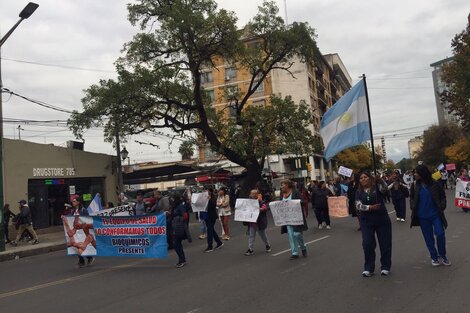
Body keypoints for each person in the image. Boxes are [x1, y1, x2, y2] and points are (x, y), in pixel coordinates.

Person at [410, 164, 450, 266]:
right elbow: (411, 198)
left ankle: (443, 255)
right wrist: (412, 205)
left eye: (416, 173)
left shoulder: (435, 184)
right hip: (422, 217)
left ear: (422, 174)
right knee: (428, 238)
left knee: (440, 234)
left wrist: (442, 205)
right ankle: (434, 257)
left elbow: (443, 196)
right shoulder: (414, 185)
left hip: (435, 214)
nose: (414, 174)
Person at [355, 172, 392, 277]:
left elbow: (385, 189)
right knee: (367, 244)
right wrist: (370, 208)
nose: (363, 179)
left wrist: (381, 180)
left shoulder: (377, 187)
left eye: (365, 177)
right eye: (361, 178)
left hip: (382, 219)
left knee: (385, 243)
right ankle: (369, 268)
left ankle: (385, 266)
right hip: (366, 221)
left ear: (370, 178)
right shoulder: (358, 192)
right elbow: (358, 205)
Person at [280, 179, 308, 260]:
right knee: (291, 235)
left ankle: (303, 247)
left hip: (296, 218)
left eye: (283, 185)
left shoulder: (295, 192)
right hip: (287, 219)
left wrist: (297, 202)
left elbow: (303, 201)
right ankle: (294, 253)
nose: (281, 187)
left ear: (288, 185)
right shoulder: (282, 194)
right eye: (281, 185)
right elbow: (280, 204)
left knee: (297, 234)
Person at [244, 189, 271, 256]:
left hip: (259, 222)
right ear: (250, 194)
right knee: (251, 236)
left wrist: (261, 209)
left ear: (257, 194)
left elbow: (265, 208)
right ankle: (250, 249)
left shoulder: (260, 201)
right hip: (252, 222)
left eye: (255, 193)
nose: (253, 195)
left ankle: (267, 245)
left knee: (263, 235)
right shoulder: (248, 202)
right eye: (252, 193)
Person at [71, 197, 95, 267]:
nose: (73, 202)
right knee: (76, 245)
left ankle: (87, 258)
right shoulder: (73, 211)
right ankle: (83, 260)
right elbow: (70, 219)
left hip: (83, 231)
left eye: (74, 201)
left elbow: (87, 219)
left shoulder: (83, 210)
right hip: (76, 232)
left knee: (81, 245)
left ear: (78, 202)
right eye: (72, 201)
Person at [170, 194, 192, 268]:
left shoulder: (180, 206)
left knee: (176, 244)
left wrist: (179, 219)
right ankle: (182, 260)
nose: (171, 201)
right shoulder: (174, 207)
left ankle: (182, 260)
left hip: (179, 227)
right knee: (177, 244)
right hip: (175, 226)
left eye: (172, 199)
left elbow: (185, 216)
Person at [204, 188, 224, 253]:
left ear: (210, 191)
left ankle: (210, 246)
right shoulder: (204, 198)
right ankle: (219, 242)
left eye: (207, 191)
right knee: (211, 229)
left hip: (212, 216)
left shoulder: (213, 197)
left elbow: (213, 205)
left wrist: (209, 199)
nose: (206, 192)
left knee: (209, 230)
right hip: (206, 216)